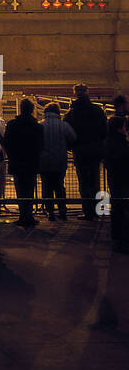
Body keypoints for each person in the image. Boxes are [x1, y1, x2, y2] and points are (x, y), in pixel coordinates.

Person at [64, 84, 108, 220]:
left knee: (83, 182)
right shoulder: (97, 110)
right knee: (95, 182)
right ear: (88, 93)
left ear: (75, 93)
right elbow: (104, 131)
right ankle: (96, 211)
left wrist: (71, 146)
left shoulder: (72, 113)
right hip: (95, 150)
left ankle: (87, 211)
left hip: (80, 151)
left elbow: (67, 132)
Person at [4, 98, 43, 226]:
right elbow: (40, 145)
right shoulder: (37, 126)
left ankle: (22, 215)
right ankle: (29, 215)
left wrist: (12, 156)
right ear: (32, 110)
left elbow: (7, 143)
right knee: (30, 189)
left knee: (20, 190)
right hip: (31, 162)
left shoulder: (12, 125)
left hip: (17, 162)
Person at [40, 102, 76, 221]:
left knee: (47, 188)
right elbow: (73, 138)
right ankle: (62, 210)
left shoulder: (41, 125)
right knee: (59, 187)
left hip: (44, 162)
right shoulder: (63, 125)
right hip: (60, 160)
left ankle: (50, 212)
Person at [103, 116, 129, 253]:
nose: (126, 129)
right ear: (119, 128)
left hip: (114, 179)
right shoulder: (121, 144)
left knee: (117, 209)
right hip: (123, 180)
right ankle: (123, 240)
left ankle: (117, 239)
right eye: (124, 126)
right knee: (123, 210)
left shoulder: (109, 142)